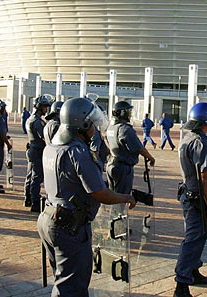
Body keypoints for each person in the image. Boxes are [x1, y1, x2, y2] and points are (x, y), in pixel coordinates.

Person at [38, 97, 137, 297]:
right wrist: (126, 197)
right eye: (91, 122)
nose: (94, 126)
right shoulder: (78, 152)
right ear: (82, 124)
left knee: (63, 278)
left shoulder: (51, 147)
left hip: (49, 219)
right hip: (69, 227)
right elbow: (100, 193)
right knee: (72, 287)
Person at [173, 102, 207, 297]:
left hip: (188, 194)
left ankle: (193, 270)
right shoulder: (200, 142)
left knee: (199, 236)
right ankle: (181, 283)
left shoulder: (186, 138)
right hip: (197, 198)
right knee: (193, 239)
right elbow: (204, 175)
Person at [106, 101, 155, 198]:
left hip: (111, 164)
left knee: (113, 196)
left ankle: (114, 213)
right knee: (121, 197)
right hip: (123, 167)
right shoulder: (125, 129)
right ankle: (118, 213)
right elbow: (140, 148)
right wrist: (151, 158)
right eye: (128, 111)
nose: (130, 114)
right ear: (122, 113)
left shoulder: (111, 127)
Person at [24, 95, 52, 212]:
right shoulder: (37, 121)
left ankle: (28, 197)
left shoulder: (30, 118)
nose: (47, 109)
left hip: (32, 149)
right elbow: (44, 137)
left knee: (30, 175)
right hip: (37, 150)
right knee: (37, 176)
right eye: (46, 107)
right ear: (41, 107)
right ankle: (35, 201)